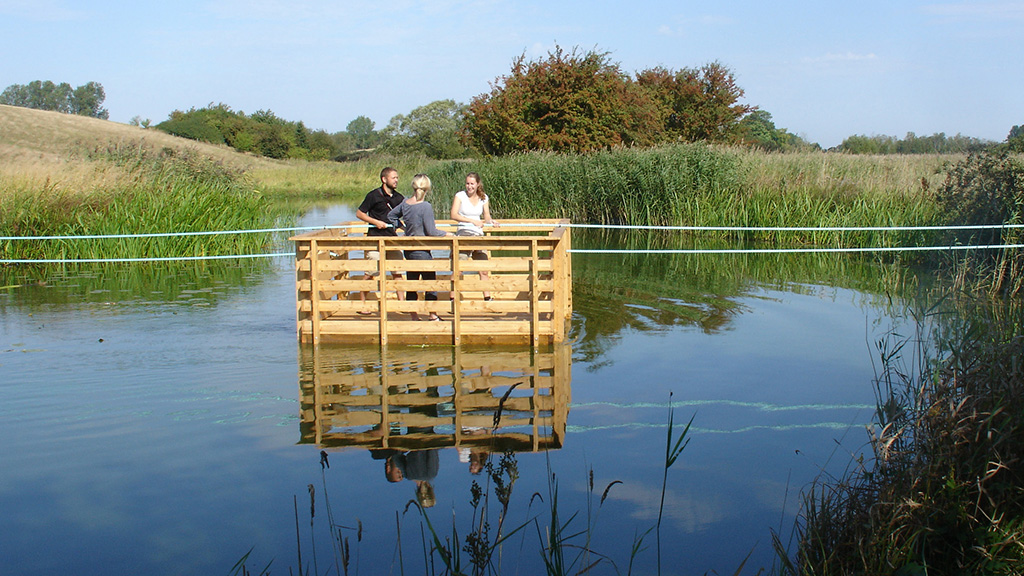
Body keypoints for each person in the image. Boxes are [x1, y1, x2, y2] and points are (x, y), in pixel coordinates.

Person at [387, 174, 453, 321]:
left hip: (409, 251)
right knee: (430, 283)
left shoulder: (405, 203)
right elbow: (432, 231)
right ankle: (432, 315)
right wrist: (447, 234)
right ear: (427, 188)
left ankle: (414, 316)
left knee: (412, 282)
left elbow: (391, 216)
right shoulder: (425, 206)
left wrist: (403, 229)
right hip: (423, 251)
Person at [355, 167, 405, 314]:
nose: (396, 180)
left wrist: (407, 229)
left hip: (392, 239)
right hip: (375, 238)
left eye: (397, 177)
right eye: (393, 177)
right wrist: (375, 221)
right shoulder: (373, 195)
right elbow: (359, 213)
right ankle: (362, 304)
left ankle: (402, 305)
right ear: (384, 179)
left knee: (397, 271)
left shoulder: (399, 198)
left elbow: (401, 217)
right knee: (372, 271)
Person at [449, 172, 499, 301]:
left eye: (472, 184)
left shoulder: (483, 198)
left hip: (478, 234)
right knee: (458, 268)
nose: (469, 187)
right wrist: (471, 221)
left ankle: (487, 297)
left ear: (477, 184)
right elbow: (454, 215)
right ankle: (453, 298)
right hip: (464, 234)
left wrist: (491, 221)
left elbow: (486, 215)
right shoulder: (460, 196)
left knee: (483, 269)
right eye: (467, 183)